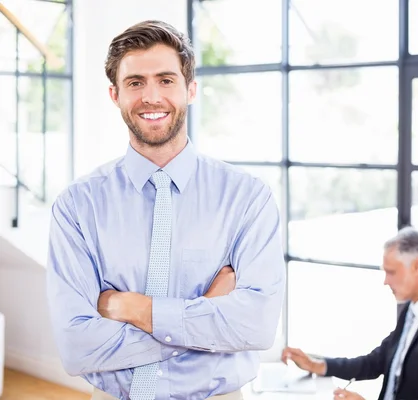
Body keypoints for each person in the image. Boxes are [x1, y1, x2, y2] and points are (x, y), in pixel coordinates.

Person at [46, 20, 286, 400]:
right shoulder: (77, 206)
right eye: (135, 82)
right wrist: (205, 313)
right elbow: (77, 348)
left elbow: (255, 326)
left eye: (166, 80)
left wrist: (134, 308)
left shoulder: (247, 199)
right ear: (115, 94)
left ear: (191, 89)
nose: (151, 96)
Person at [282, 227, 418, 400]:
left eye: (392, 272)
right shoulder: (414, 308)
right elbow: (376, 361)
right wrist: (317, 365)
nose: (385, 281)